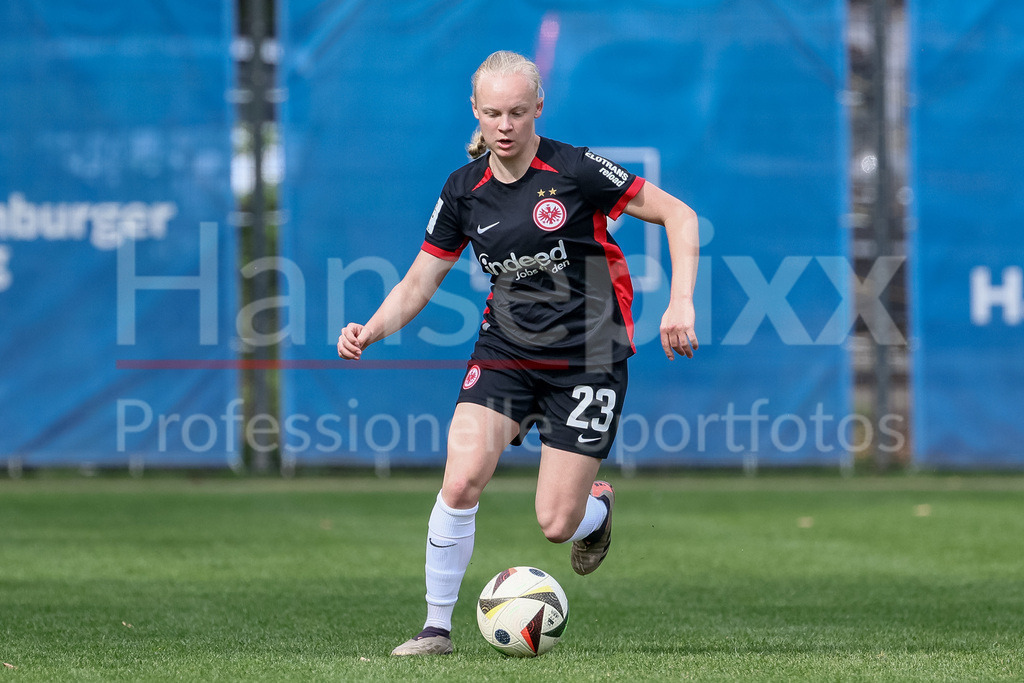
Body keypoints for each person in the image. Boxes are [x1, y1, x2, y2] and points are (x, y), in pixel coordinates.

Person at [337, 50, 699, 656]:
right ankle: (435, 629)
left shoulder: (576, 170)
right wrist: (372, 327)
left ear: (537, 110)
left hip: (589, 357)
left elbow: (679, 215)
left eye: (516, 113)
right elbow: (420, 280)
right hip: (506, 351)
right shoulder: (463, 191)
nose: (504, 126)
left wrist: (680, 302)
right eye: (491, 113)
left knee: (556, 524)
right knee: (461, 478)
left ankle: (595, 513)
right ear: (475, 113)